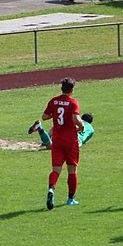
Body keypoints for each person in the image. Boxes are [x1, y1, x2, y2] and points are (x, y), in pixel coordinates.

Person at [41, 77, 84, 210]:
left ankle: (51, 189)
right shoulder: (73, 102)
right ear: (72, 90)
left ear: (61, 88)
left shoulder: (53, 101)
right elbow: (75, 118)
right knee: (72, 170)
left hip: (57, 141)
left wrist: (54, 114)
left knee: (56, 170)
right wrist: (81, 125)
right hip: (71, 141)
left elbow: (44, 116)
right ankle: (70, 199)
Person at [28, 113, 94, 149]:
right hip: (75, 140)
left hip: (64, 132)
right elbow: (84, 140)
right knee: (50, 146)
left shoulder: (78, 120)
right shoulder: (91, 129)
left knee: (56, 128)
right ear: (90, 122)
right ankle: (40, 129)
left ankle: (46, 138)